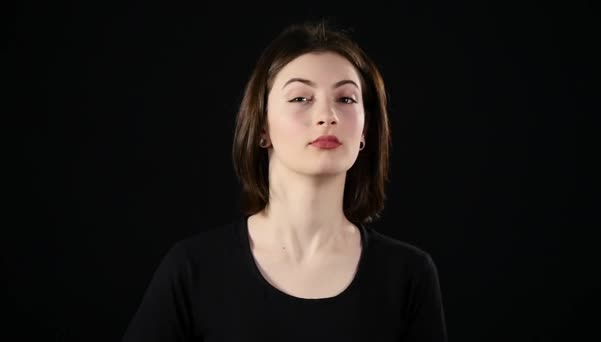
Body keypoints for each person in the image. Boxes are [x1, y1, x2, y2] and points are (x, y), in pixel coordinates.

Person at [122, 19, 448, 342]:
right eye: (300, 98)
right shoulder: (193, 269)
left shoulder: (408, 275)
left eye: (346, 99)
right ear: (262, 127)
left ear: (365, 130)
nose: (327, 115)